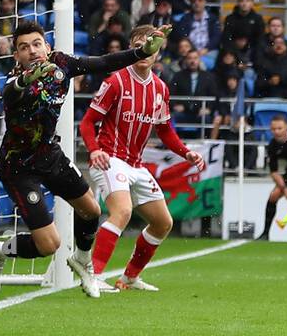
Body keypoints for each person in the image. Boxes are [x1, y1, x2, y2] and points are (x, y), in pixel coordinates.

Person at [0, 21, 169, 298]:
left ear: (47, 47)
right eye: (24, 48)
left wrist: (140, 53)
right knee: (49, 244)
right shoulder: (14, 81)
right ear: (17, 56)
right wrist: (27, 78)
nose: (32, 51)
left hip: (51, 156)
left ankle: (83, 261)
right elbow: (12, 93)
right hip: (19, 167)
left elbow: (103, 62)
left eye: (37, 44)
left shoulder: (62, 63)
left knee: (91, 211)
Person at [79, 25, 207, 289]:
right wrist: (95, 150)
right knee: (122, 212)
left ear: (158, 53)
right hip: (109, 158)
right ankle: (94, 275)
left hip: (136, 165)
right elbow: (87, 123)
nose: (146, 50)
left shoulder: (160, 89)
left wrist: (187, 152)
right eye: (141, 43)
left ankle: (130, 277)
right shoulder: (115, 82)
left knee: (163, 223)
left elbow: (165, 131)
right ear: (132, 48)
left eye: (152, 45)